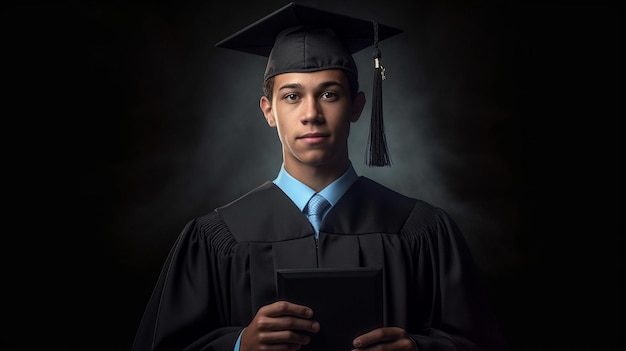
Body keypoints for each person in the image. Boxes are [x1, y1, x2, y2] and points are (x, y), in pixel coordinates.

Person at [132, 2, 507, 351]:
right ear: (269, 110)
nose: (311, 113)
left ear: (357, 106)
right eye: (292, 97)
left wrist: (419, 347)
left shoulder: (420, 230)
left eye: (329, 94)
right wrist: (238, 345)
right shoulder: (216, 238)